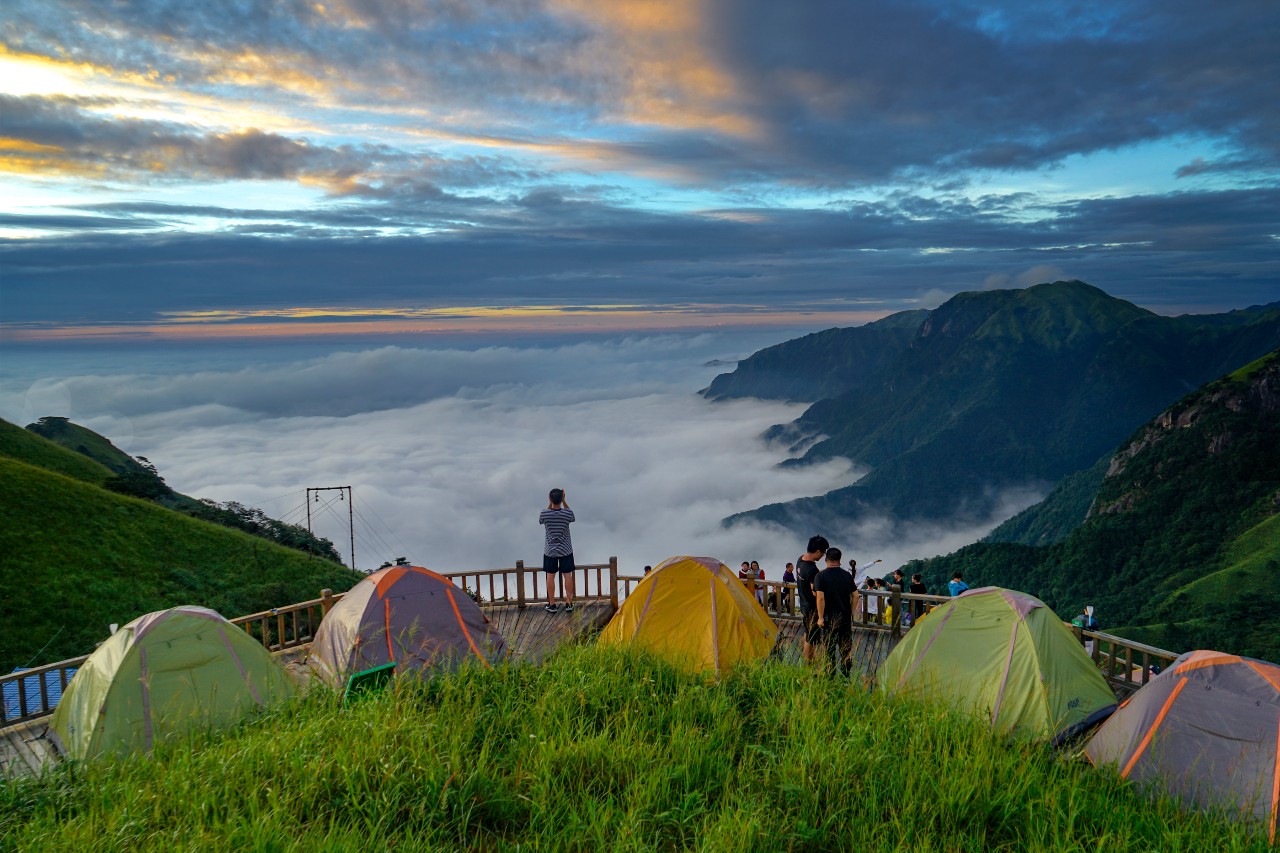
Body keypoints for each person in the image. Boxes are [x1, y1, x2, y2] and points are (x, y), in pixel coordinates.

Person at [815, 546, 856, 676]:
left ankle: (830, 677)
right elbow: (855, 596)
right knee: (845, 649)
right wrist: (850, 613)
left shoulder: (820, 576)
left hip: (829, 619)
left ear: (826, 559)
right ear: (840, 560)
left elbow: (820, 598)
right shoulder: (847, 575)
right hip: (844, 617)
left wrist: (820, 617)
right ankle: (845, 677)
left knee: (829, 649)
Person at [539, 487, 576, 613]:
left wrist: (551, 503)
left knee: (550, 576)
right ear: (562, 498)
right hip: (565, 550)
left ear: (550, 499)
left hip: (550, 551)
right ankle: (569, 603)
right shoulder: (567, 514)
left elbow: (542, 520)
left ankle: (552, 604)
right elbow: (571, 515)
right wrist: (564, 501)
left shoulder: (544, 513)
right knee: (567, 575)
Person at [796, 535, 829, 663]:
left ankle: (809, 657)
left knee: (808, 631)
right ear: (818, 551)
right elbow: (816, 593)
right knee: (812, 637)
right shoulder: (812, 570)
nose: (823, 556)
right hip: (811, 607)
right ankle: (808, 662)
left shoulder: (801, 560)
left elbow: (810, 576)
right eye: (823, 553)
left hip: (803, 602)